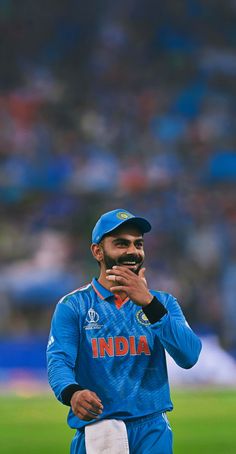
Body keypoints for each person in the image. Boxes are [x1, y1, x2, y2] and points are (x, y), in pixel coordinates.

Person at [47, 208, 202, 454]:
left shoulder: (162, 302)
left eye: (138, 244)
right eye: (121, 244)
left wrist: (149, 304)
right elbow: (59, 361)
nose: (132, 251)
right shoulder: (73, 305)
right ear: (97, 251)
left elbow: (189, 356)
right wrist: (72, 392)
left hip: (152, 430)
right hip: (97, 429)